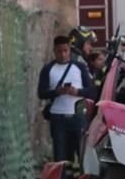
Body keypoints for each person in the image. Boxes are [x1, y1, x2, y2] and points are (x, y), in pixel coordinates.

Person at [38, 35, 96, 168]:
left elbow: (91, 91)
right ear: (54, 51)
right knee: (60, 153)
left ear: (69, 50)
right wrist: (56, 92)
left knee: (82, 152)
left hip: (79, 113)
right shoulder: (48, 69)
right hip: (58, 116)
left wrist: (78, 92)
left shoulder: (80, 67)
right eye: (59, 51)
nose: (63, 54)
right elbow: (41, 93)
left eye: (65, 51)